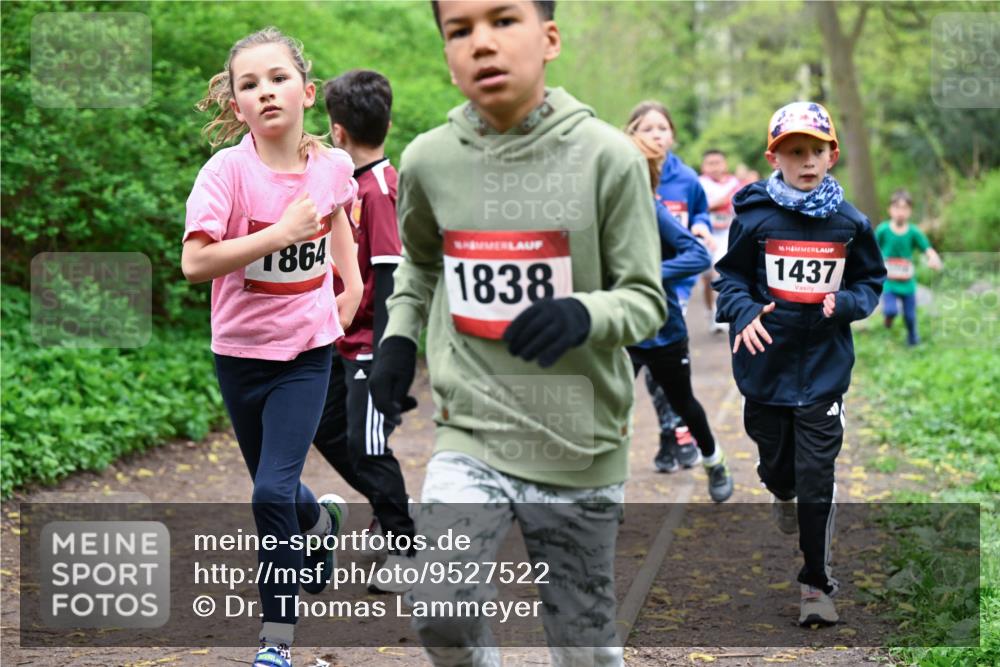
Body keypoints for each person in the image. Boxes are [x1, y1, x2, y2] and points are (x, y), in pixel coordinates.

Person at [367, 1, 666, 664]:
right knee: (439, 602)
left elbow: (647, 300)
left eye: (503, 21)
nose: (482, 44)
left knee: (581, 643)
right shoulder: (428, 160)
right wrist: (397, 338)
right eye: (460, 30)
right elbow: (417, 263)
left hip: (578, 438)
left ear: (549, 37)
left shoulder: (608, 159)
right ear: (447, 57)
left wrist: (582, 314)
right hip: (472, 428)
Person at [181, 27, 362, 667]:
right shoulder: (227, 173)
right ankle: (317, 524)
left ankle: (275, 642)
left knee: (267, 494)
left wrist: (353, 280)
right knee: (276, 487)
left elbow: (338, 212)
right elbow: (196, 263)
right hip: (239, 355)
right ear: (236, 106)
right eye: (248, 84)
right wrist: (278, 233)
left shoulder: (332, 166)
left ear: (307, 92)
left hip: (307, 351)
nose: (265, 91)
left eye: (278, 78)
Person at [713, 101, 886, 627]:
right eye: (794, 152)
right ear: (775, 157)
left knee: (818, 478)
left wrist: (848, 304)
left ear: (832, 155)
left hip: (823, 372)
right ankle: (780, 491)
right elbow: (730, 281)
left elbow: (869, 281)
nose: (806, 161)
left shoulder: (850, 222)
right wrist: (743, 312)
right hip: (765, 367)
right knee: (779, 470)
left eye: (816, 150)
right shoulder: (755, 216)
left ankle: (815, 584)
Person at [312, 69, 418, 594]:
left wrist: (384, 362)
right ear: (388, 122)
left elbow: (393, 279)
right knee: (324, 427)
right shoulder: (346, 187)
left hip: (369, 346)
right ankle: (390, 502)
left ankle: (404, 545)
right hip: (337, 339)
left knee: (369, 445)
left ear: (337, 131)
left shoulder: (380, 192)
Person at [624, 125, 734, 502]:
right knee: (609, 407)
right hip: (620, 331)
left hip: (662, 329)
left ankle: (713, 459)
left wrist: (650, 275)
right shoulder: (597, 213)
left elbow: (698, 255)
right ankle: (605, 492)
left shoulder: (651, 209)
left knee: (682, 401)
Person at [625, 100, 710, 471]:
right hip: (639, 278)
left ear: (673, 135)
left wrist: (702, 226)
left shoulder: (687, 179)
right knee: (651, 362)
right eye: (648, 129)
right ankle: (672, 434)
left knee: (662, 358)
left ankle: (674, 434)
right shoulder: (626, 176)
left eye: (663, 128)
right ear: (632, 135)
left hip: (676, 280)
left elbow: (700, 213)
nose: (657, 135)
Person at [874, 189, 942, 346]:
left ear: (910, 211)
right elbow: (872, 248)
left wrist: (933, 258)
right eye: (897, 208)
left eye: (904, 208)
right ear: (890, 209)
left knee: (910, 317)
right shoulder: (883, 230)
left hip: (907, 283)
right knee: (891, 310)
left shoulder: (914, 232)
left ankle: (913, 342)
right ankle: (888, 319)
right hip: (889, 281)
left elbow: (927, 248)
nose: (900, 212)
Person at [698, 149, 743, 333]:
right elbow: (699, 207)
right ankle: (710, 311)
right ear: (703, 166)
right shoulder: (699, 184)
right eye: (710, 163)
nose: (715, 167)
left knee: (721, 274)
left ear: (725, 164)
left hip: (726, 236)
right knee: (707, 278)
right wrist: (721, 201)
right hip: (706, 235)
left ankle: (720, 313)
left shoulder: (734, 184)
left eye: (718, 162)